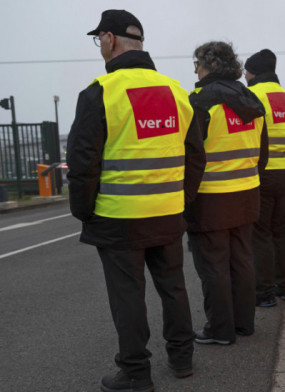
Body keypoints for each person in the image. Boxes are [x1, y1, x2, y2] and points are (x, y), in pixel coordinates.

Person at [67, 10, 205, 392]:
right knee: (173, 287)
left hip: (117, 217)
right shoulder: (177, 92)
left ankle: (135, 373)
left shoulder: (100, 92)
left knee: (128, 296)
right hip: (166, 213)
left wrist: (84, 211)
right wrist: (182, 198)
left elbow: (82, 163)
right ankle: (182, 359)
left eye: (99, 40)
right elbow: (196, 156)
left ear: (109, 39)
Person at [185, 41, 268, 345]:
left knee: (214, 265)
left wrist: (185, 197)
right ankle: (244, 324)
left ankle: (220, 330)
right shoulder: (251, 99)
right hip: (247, 194)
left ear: (210, 65)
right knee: (243, 260)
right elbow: (264, 152)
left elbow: (191, 154)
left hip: (210, 198)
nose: (195, 70)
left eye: (197, 64)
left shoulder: (199, 101)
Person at [244, 49, 285, 307]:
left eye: (246, 71)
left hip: (263, 173)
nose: (244, 75)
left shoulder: (252, 96)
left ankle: (264, 293)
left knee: (261, 234)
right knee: (281, 231)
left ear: (253, 72)